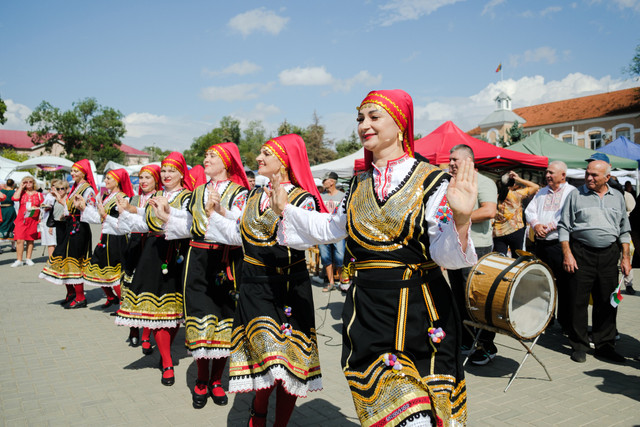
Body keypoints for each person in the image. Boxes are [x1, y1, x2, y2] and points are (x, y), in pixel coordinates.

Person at [272, 91, 477, 427]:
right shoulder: (356, 185)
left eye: (373, 117)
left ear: (400, 126)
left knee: (423, 413)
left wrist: (462, 219)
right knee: (387, 406)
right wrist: (286, 210)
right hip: (367, 309)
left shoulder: (432, 180)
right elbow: (330, 227)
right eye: (359, 119)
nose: (363, 125)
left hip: (419, 308)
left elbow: (446, 255)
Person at [205, 134, 327, 427]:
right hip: (253, 287)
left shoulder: (302, 199)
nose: (258, 159)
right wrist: (219, 213)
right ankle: (258, 414)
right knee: (264, 358)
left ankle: (279, 423)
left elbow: (305, 240)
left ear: (284, 161)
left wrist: (284, 211)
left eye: (265, 154)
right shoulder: (252, 196)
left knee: (289, 361)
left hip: (286, 287)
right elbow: (239, 235)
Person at [162, 142, 249, 409]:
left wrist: (222, 210)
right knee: (199, 321)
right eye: (206, 155)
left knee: (224, 320)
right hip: (197, 260)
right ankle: (201, 378)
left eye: (212, 155)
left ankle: (216, 381)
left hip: (226, 262)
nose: (206, 159)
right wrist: (166, 216)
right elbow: (189, 224)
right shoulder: (197, 191)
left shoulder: (240, 193)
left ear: (226, 162)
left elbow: (242, 225)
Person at [115, 152, 192, 386]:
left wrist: (168, 215)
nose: (167, 175)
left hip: (179, 254)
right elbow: (145, 223)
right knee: (156, 311)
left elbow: (190, 225)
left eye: (172, 171)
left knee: (175, 312)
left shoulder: (189, 197)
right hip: (153, 252)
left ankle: (165, 350)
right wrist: (128, 210)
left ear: (181, 174)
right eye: (165, 171)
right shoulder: (155, 195)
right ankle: (167, 362)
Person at [558, 159, 631, 364]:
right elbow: (564, 227)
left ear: (607, 177)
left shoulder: (617, 197)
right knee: (577, 301)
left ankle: (605, 345)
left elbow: (624, 230)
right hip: (581, 253)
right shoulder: (576, 195)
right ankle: (579, 345)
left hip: (609, 254)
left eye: (594, 175)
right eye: (587, 173)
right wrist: (567, 253)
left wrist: (626, 258)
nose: (589, 178)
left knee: (607, 301)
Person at [446, 144, 498, 365]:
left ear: (469, 161)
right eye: (450, 159)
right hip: (456, 248)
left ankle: (486, 345)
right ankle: (467, 340)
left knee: (477, 299)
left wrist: (462, 218)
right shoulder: (452, 184)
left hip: (478, 249)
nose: (451, 163)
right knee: (459, 298)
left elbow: (489, 211)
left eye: (455, 159)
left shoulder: (484, 182)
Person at [524, 161, 576, 333]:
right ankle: (546, 318)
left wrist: (550, 226)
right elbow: (529, 211)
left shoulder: (571, 192)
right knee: (543, 283)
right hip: (542, 244)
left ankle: (566, 322)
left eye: (551, 173)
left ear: (563, 175)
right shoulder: (542, 192)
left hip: (560, 245)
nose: (547, 175)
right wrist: (537, 224)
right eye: (547, 172)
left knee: (565, 285)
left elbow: (569, 214)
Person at [40, 160, 97, 308]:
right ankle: (71, 293)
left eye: (76, 171)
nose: (72, 173)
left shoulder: (87, 189)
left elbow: (92, 210)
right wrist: (59, 199)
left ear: (84, 172)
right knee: (63, 259)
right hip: (69, 225)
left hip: (79, 228)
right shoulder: (76, 187)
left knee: (73, 261)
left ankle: (80, 297)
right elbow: (68, 209)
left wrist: (82, 206)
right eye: (72, 171)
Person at [119, 164, 162, 352]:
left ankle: (146, 333)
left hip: (152, 247)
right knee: (130, 289)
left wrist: (132, 211)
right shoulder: (133, 198)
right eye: (141, 177)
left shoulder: (160, 198)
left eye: (148, 177)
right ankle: (134, 330)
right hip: (135, 246)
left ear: (156, 180)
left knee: (149, 290)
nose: (143, 181)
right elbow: (123, 226)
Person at [81, 169, 134, 310]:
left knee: (114, 272)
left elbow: (123, 224)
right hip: (106, 236)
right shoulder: (107, 196)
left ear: (117, 181)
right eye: (106, 179)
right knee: (98, 268)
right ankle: (112, 298)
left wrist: (104, 216)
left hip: (117, 238)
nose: (106, 181)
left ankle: (123, 305)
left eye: (109, 179)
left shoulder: (123, 198)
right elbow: (100, 218)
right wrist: (84, 207)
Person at [493, 171, 539, 256]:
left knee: (500, 259)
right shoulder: (516, 195)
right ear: (513, 184)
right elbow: (535, 186)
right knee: (516, 258)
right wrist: (519, 179)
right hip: (515, 230)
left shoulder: (494, 196)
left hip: (498, 232)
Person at [318, 171, 346, 292]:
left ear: (332, 182)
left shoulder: (342, 196)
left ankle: (341, 281)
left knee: (340, 256)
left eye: (325, 180)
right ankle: (330, 282)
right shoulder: (320, 196)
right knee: (325, 257)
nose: (323, 183)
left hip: (338, 231)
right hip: (323, 231)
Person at [11, 176, 44, 267]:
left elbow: (43, 205)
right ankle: (19, 260)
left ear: (33, 183)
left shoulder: (38, 194)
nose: (28, 183)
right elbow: (14, 198)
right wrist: (21, 187)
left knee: (30, 240)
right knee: (19, 240)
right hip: (21, 219)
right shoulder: (21, 192)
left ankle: (28, 258)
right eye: (26, 182)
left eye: (30, 181)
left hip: (33, 219)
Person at [41, 180, 65, 258]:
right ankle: (51, 259)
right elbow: (44, 207)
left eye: (60, 187)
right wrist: (46, 207)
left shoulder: (63, 196)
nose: (58, 189)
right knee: (51, 242)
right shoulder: (49, 195)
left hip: (61, 221)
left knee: (60, 241)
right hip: (50, 220)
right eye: (56, 186)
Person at [0, 179, 17, 249]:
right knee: (11, 225)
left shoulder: (1, 191)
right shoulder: (13, 192)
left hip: (2, 209)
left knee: (1, 225)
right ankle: (13, 246)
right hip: (10, 209)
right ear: (13, 184)